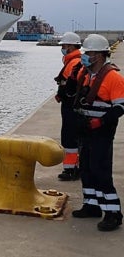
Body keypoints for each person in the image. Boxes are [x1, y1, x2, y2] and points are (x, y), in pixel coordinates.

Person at [72, 34, 124, 231]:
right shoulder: (87, 75)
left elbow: (120, 107)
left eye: (90, 53)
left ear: (101, 55)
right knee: (86, 168)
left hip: (102, 131)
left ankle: (113, 213)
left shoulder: (113, 77)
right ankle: (91, 205)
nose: (85, 56)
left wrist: (100, 122)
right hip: (86, 130)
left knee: (100, 170)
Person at [54, 32, 83, 181]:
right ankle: (76, 167)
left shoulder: (73, 62)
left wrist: (62, 94)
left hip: (70, 106)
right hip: (72, 104)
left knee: (69, 137)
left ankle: (71, 169)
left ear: (71, 46)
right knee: (74, 137)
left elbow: (70, 86)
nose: (63, 48)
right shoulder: (75, 61)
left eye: (64, 46)